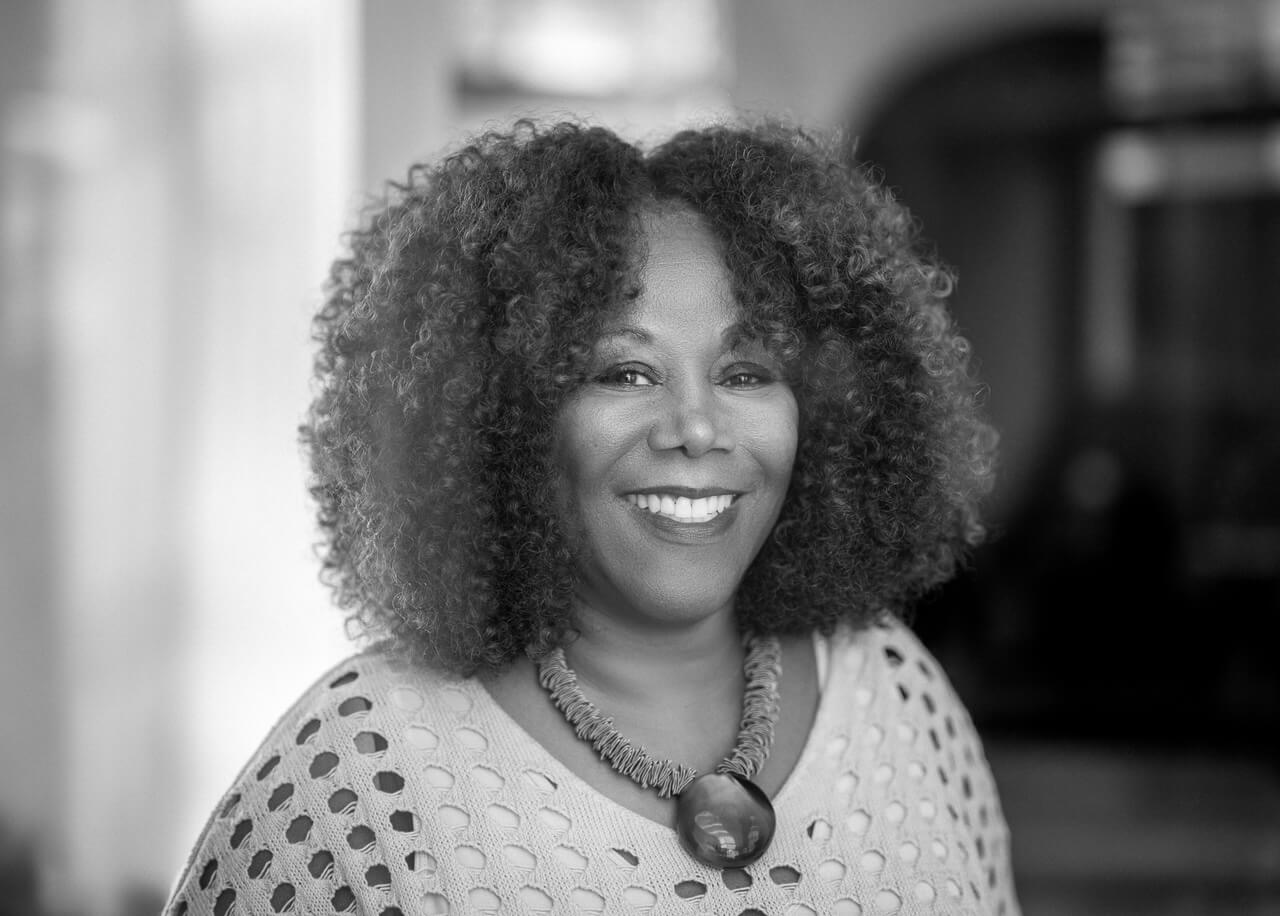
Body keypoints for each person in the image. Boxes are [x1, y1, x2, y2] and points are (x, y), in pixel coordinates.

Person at [165, 120, 1017, 915]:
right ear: (507, 416)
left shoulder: (894, 688)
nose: (696, 428)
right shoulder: (357, 775)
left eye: (749, 371)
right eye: (625, 373)